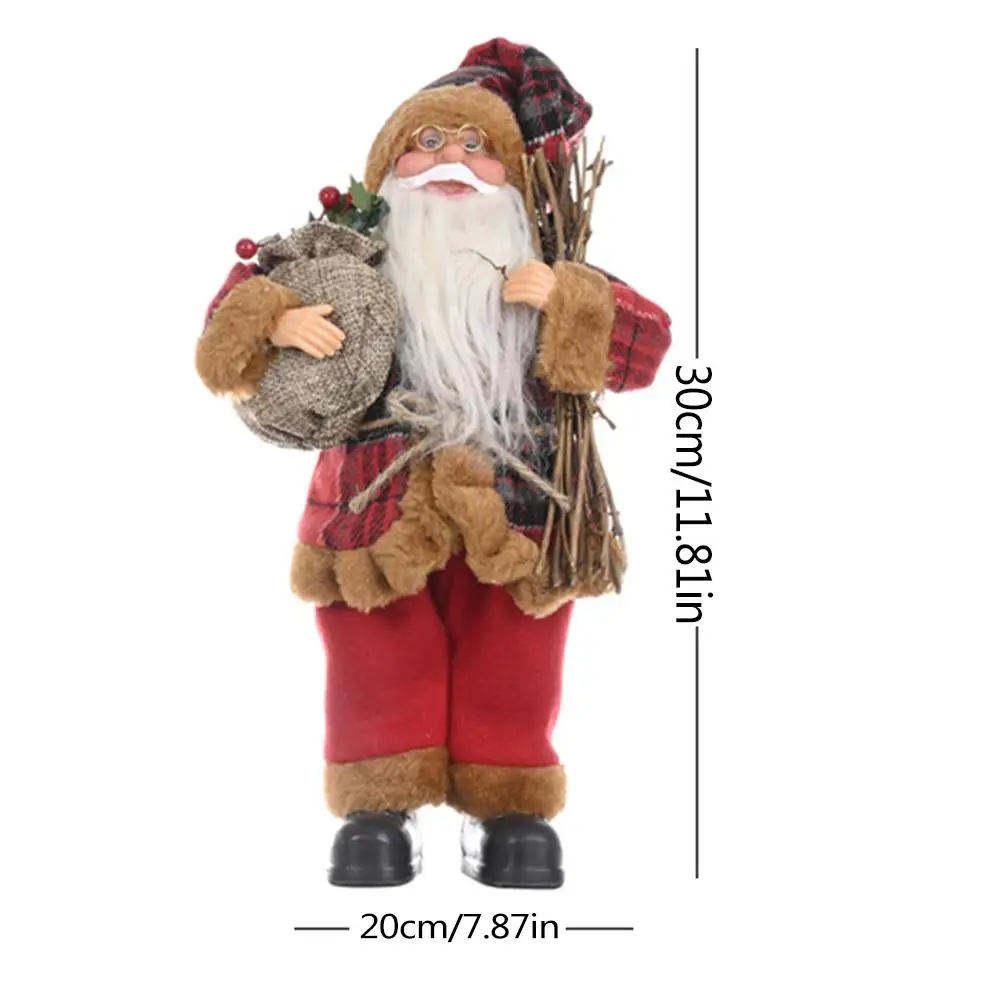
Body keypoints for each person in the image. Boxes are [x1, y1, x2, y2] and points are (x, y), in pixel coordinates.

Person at [196, 38, 672, 888]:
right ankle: (379, 810)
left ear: (513, 180)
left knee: (516, 655)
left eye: (477, 144)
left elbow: (645, 351)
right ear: (386, 168)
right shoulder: (340, 259)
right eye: (427, 141)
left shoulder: (539, 263)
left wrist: (569, 299)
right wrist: (273, 319)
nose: (451, 158)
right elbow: (232, 310)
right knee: (374, 652)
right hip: (372, 509)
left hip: (520, 506)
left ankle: (509, 811)